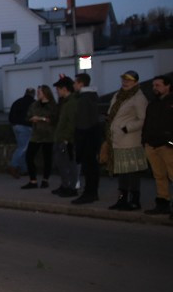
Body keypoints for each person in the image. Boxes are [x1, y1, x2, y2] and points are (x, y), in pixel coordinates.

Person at [105, 70, 149, 211]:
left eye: (129, 80)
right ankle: (122, 200)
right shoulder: (118, 95)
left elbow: (143, 119)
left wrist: (126, 128)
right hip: (117, 139)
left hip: (130, 140)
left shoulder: (138, 98)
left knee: (132, 172)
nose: (125, 82)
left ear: (135, 82)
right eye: (124, 79)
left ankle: (135, 201)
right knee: (122, 172)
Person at [142, 74, 173, 217]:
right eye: (153, 85)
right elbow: (147, 124)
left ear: (167, 86)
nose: (154, 88)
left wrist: (170, 143)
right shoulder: (153, 104)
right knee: (159, 176)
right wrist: (145, 141)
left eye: (158, 85)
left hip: (167, 146)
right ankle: (162, 203)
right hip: (152, 145)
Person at [71, 73, 103, 205]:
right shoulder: (92, 97)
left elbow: (83, 123)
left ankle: (89, 193)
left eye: (75, 82)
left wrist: (79, 141)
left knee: (89, 167)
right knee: (91, 167)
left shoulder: (84, 99)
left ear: (81, 84)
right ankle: (91, 192)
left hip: (87, 138)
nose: (74, 85)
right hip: (92, 136)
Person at [21, 85, 57, 190]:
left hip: (48, 135)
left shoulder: (53, 105)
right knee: (29, 156)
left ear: (45, 93)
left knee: (47, 158)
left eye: (39, 92)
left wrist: (42, 119)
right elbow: (28, 116)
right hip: (36, 135)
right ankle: (33, 180)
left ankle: (45, 180)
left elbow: (54, 119)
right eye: (37, 92)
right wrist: (31, 119)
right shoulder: (34, 105)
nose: (38, 94)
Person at [50, 78, 78, 197]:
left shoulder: (71, 103)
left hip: (66, 140)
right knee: (62, 164)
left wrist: (65, 139)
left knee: (69, 165)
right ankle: (65, 185)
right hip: (62, 138)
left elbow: (71, 123)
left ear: (64, 89)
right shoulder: (66, 102)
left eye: (58, 89)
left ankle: (71, 187)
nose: (57, 92)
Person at [7, 88, 35, 179]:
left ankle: (24, 169)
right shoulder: (34, 103)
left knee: (22, 147)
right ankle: (13, 165)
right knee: (23, 148)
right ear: (33, 94)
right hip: (26, 127)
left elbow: (10, 116)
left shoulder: (17, 102)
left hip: (15, 126)